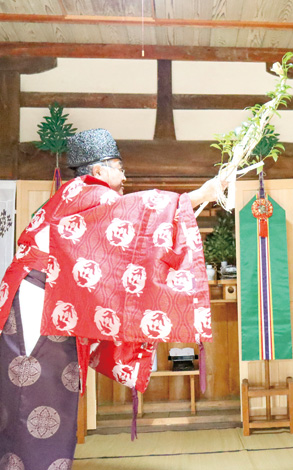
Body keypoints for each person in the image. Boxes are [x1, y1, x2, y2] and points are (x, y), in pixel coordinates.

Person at [0, 128, 223, 469]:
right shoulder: (93, 193)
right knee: (34, 394)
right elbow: (141, 214)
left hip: (43, 298)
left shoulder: (74, 194)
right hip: (40, 300)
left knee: (41, 393)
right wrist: (200, 194)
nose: (124, 176)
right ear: (98, 169)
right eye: (119, 167)